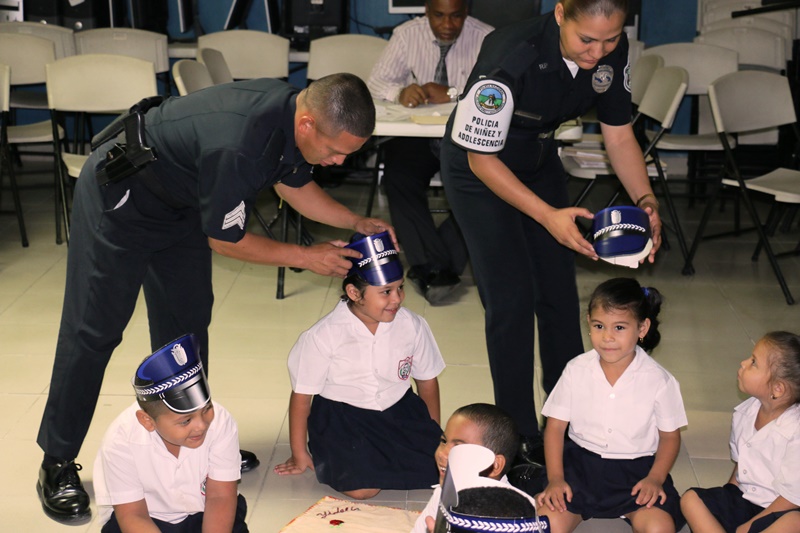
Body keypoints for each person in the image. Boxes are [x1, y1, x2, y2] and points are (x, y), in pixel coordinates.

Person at [35, 73, 396, 523]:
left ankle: (196, 441)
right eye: (335, 150)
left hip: (179, 202)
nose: (339, 161)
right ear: (307, 124)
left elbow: (292, 183)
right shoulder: (240, 142)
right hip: (121, 199)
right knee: (94, 330)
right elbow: (227, 241)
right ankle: (56, 461)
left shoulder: (292, 119)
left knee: (185, 329)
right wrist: (307, 257)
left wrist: (355, 222)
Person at [439, 0, 663, 461]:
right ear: (561, 14)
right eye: (587, 40)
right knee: (512, 300)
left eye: (610, 39)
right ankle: (517, 434)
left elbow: (619, 134)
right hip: (480, 170)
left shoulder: (611, 49)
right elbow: (481, 159)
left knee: (559, 293)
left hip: (538, 159)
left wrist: (646, 201)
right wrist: (547, 216)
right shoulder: (510, 55)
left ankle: (568, 420)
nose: (598, 52)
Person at [273, 232, 445, 500]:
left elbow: (427, 381)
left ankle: (384, 458)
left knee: (442, 470)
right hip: (343, 417)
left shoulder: (412, 325)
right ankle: (344, 455)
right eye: (386, 292)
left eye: (400, 288)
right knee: (363, 489)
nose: (397, 299)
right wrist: (299, 452)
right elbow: (302, 397)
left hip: (398, 409)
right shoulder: (323, 336)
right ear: (354, 293)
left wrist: (433, 437)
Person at [536, 277, 687, 532]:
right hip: (579, 470)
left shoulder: (660, 381)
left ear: (642, 328)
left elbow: (670, 437)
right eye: (599, 326)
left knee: (660, 528)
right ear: (588, 323)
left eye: (619, 327)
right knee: (545, 525)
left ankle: (635, 508)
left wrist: (655, 478)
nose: (607, 337)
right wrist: (556, 479)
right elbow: (555, 428)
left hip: (636, 474)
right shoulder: (575, 369)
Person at [367, 0, 492, 304]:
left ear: (466, 12)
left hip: (467, 137)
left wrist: (453, 94)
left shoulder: (487, 38)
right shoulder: (407, 34)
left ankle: (433, 269)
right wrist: (400, 92)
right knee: (398, 177)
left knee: (482, 185)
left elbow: (497, 93)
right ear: (427, 11)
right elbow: (375, 82)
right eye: (439, 16)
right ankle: (439, 267)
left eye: (456, 16)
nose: (447, 25)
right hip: (418, 138)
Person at [93, 334, 248, 533]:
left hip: (206, 511)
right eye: (186, 421)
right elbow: (132, 514)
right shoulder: (121, 440)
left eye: (206, 409)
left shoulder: (221, 421)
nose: (201, 425)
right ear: (147, 421)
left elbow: (220, 496)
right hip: (146, 518)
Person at [681, 331, 800, 533]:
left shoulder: (795, 431)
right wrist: (726, 498)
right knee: (690, 499)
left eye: (753, 362)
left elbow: (792, 498)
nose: (743, 363)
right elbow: (741, 467)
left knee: (794, 522)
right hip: (746, 498)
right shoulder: (745, 412)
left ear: (777, 389)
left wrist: (749, 526)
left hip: (782, 508)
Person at [412, 403, 521, 533]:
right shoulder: (443, 493)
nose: (442, 454)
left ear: (494, 465)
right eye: (444, 441)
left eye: (459, 447)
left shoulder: (510, 518)